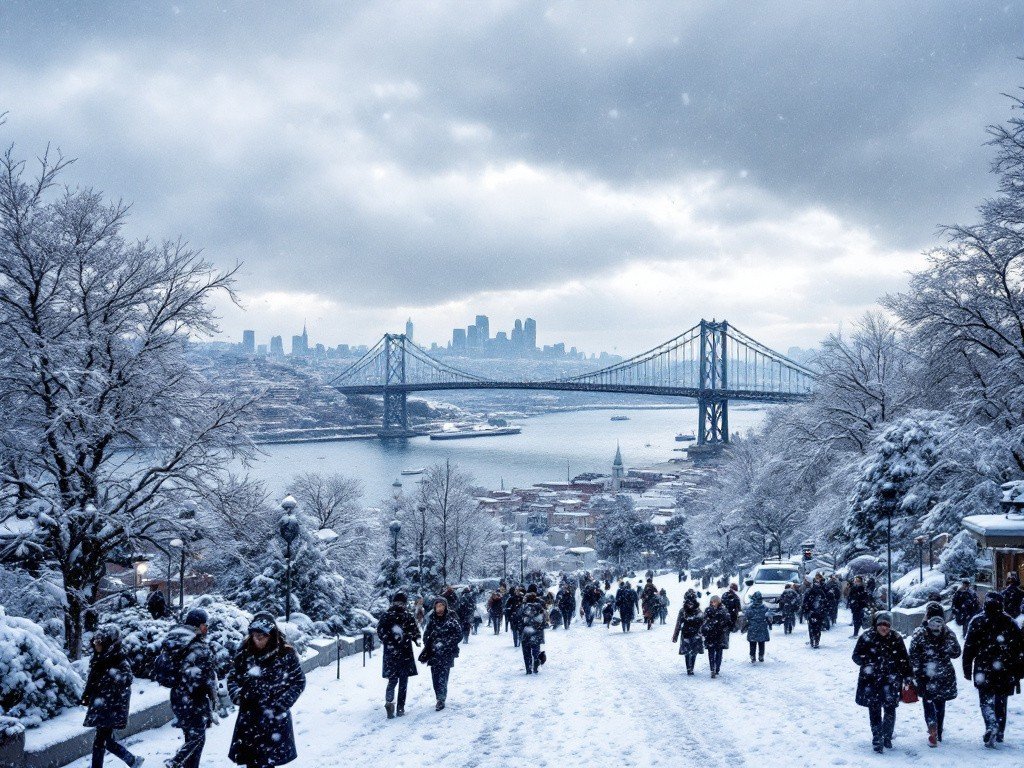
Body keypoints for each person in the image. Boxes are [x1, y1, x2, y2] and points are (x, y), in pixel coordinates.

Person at [227, 613, 306, 768]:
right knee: (252, 761)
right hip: (249, 718)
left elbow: (298, 681)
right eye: (256, 635)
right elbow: (232, 678)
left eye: (263, 635)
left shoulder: (286, 653)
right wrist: (238, 696)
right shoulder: (244, 653)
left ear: (271, 634)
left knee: (268, 761)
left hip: (274, 717)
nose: (259, 639)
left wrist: (283, 702)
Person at [962, 591, 1024, 747]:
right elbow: (1019, 649)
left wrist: (967, 668)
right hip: (1005, 668)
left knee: (985, 699)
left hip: (984, 667)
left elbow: (969, 647)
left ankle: (991, 724)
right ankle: (1000, 732)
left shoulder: (977, 621)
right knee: (1001, 700)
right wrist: (1019, 671)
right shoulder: (1010, 623)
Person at [160, 608, 218, 768]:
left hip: (178, 697)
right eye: (205, 625)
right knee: (198, 737)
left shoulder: (177, 639)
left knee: (190, 735)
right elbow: (205, 676)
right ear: (199, 625)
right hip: (195, 698)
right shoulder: (197, 645)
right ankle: (176, 762)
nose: (207, 628)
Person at [82, 625, 144, 768]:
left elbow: (127, 679)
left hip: (112, 705)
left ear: (108, 644)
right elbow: (93, 678)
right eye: (95, 643)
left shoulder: (119, 659)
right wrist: (86, 695)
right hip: (102, 704)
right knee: (104, 740)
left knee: (101, 740)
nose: (96, 645)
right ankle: (132, 760)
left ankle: (130, 761)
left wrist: (111, 671)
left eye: (99, 643)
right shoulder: (99, 659)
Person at [852, 611, 913, 754]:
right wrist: (866, 661)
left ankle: (887, 737)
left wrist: (908, 675)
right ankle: (877, 738)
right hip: (871, 681)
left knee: (890, 709)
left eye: (886, 625)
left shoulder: (896, 638)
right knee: (874, 710)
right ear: (876, 624)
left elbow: (904, 658)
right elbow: (855, 656)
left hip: (891, 680)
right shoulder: (866, 637)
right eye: (880, 624)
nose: (883, 627)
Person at [908, 602, 961, 747]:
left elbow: (912, 655)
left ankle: (932, 725)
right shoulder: (948, 631)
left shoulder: (920, 632)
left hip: (926, 674)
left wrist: (916, 671)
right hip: (944, 673)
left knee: (928, 701)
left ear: (927, 614)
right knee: (940, 702)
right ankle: (939, 730)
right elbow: (956, 653)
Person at [376, 592, 421, 719]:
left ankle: (392, 704)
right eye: (398, 603)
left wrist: (416, 639)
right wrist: (393, 639)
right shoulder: (402, 616)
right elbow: (381, 632)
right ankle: (397, 706)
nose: (400, 605)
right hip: (402, 653)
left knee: (395, 680)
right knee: (400, 681)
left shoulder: (389, 615)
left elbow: (415, 631)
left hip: (394, 654)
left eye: (401, 603)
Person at [421, 596, 462, 710]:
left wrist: (446, 643)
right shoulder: (432, 620)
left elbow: (459, 635)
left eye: (442, 605)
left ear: (445, 606)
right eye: (437, 606)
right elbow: (425, 635)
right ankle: (438, 696)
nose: (439, 608)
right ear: (434, 607)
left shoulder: (451, 620)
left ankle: (441, 699)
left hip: (446, 653)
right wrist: (431, 644)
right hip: (433, 653)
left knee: (443, 676)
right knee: (435, 676)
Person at [672, 590, 705, 675]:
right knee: (692, 652)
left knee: (689, 652)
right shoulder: (697, 610)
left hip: (688, 633)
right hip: (693, 633)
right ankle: (690, 669)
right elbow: (703, 622)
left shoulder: (684, 610)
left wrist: (675, 635)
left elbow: (678, 624)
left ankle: (689, 669)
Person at [701, 595, 732, 678]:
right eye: (712, 602)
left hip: (719, 635)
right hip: (711, 635)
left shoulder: (723, 610)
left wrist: (721, 625)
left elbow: (728, 622)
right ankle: (712, 669)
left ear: (718, 602)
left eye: (715, 601)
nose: (713, 603)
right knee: (711, 652)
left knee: (718, 652)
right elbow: (704, 621)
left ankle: (716, 668)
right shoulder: (708, 610)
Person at [518, 590, 547, 674]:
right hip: (536, 633)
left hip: (526, 632)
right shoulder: (540, 607)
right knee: (535, 650)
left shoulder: (523, 607)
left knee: (526, 652)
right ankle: (536, 663)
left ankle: (528, 668)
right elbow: (544, 620)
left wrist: (520, 628)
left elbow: (518, 618)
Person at [743, 591, 772, 663]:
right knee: (761, 643)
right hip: (762, 627)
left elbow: (746, 617)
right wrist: (769, 624)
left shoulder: (750, 608)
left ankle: (752, 656)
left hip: (753, 628)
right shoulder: (765, 608)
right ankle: (761, 655)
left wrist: (745, 626)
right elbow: (769, 617)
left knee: (752, 643)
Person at [802, 574, 828, 649]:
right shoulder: (821, 592)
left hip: (812, 612)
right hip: (819, 612)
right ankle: (816, 641)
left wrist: (805, 610)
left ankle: (813, 640)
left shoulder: (809, 591)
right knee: (817, 627)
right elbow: (825, 602)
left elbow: (805, 602)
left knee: (811, 627)